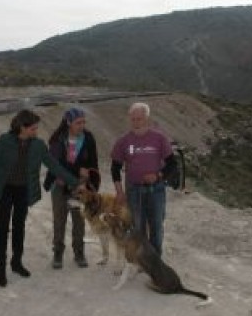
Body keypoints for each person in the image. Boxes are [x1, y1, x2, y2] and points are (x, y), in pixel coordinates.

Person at [0, 109, 81, 287]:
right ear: (22, 127)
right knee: (2, 228)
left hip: (23, 191)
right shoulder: (4, 141)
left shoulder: (38, 145)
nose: (36, 132)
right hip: (4, 190)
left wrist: (74, 181)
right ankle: (1, 268)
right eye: (33, 129)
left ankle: (16, 263)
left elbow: (53, 165)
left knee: (19, 227)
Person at [110, 102, 177, 257]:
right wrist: (120, 192)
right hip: (134, 191)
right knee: (136, 228)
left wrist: (158, 176)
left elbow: (172, 164)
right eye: (133, 119)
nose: (136, 122)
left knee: (156, 227)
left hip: (156, 190)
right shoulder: (123, 141)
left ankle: (155, 262)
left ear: (147, 119)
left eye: (139, 119)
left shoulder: (159, 138)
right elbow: (115, 168)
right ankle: (141, 260)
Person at [44, 107, 99, 269]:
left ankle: (79, 252)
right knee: (59, 221)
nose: (82, 126)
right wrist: (77, 171)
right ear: (68, 123)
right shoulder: (57, 139)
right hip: (60, 186)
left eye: (83, 122)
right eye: (78, 123)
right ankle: (58, 252)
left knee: (79, 221)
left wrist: (92, 185)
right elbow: (55, 164)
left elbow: (93, 164)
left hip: (81, 188)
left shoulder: (88, 138)